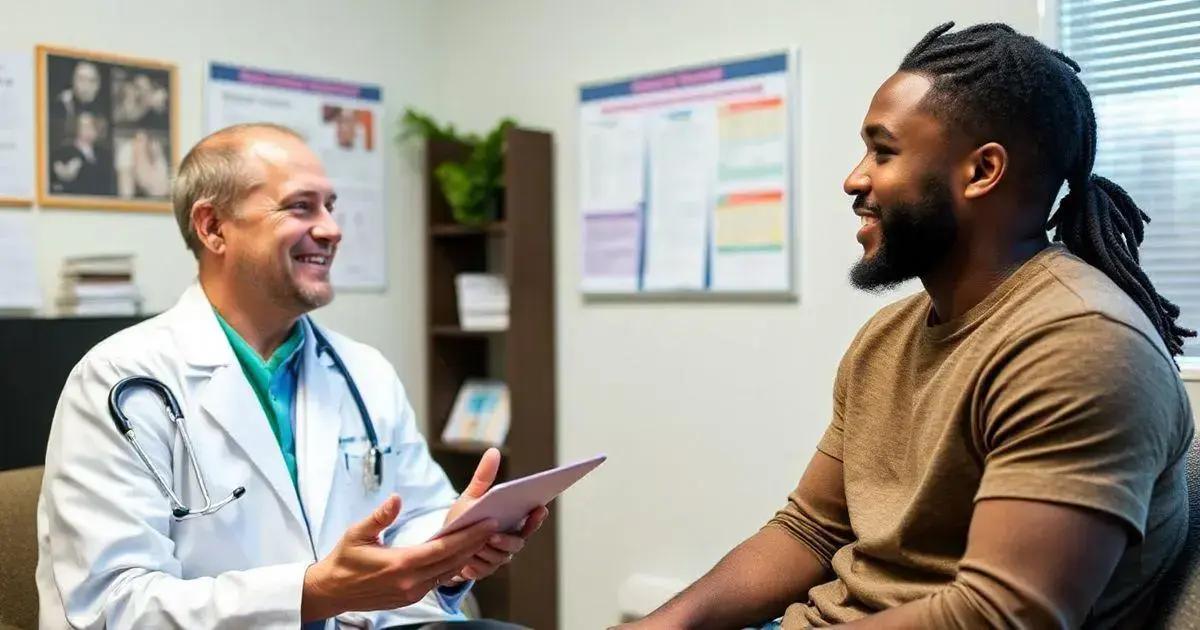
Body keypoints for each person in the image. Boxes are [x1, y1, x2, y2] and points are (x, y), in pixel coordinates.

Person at [622, 22, 1195, 630]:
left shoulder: (1082, 345)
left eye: (883, 151)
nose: (854, 178)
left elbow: (1003, 617)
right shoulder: (887, 337)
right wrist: (662, 625)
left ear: (981, 172)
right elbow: (810, 529)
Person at [36, 123, 546, 629]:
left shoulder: (363, 372)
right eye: (301, 206)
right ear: (213, 227)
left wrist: (452, 556)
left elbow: (417, 517)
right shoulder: (118, 381)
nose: (332, 228)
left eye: (330, 205)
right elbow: (111, 606)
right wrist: (311, 593)